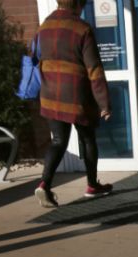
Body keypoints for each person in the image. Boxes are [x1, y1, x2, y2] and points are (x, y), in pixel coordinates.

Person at [34, 0, 113, 208]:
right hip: (78, 96)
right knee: (88, 139)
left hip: (50, 93)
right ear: (77, 4)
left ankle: (44, 184)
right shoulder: (82, 28)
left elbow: (36, 56)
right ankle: (92, 185)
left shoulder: (44, 26)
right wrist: (103, 102)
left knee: (58, 141)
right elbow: (94, 69)